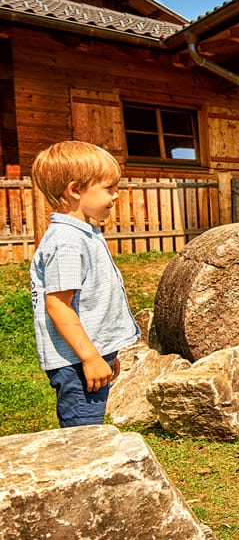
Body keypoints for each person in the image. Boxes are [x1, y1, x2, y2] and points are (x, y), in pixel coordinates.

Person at [29, 141, 140, 428]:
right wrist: (90, 357)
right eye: (109, 188)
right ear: (75, 190)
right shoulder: (67, 242)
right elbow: (58, 305)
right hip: (76, 362)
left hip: (87, 355)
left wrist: (105, 353)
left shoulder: (82, 234)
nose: (116, 195)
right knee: (83, 436)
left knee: (91, 429)